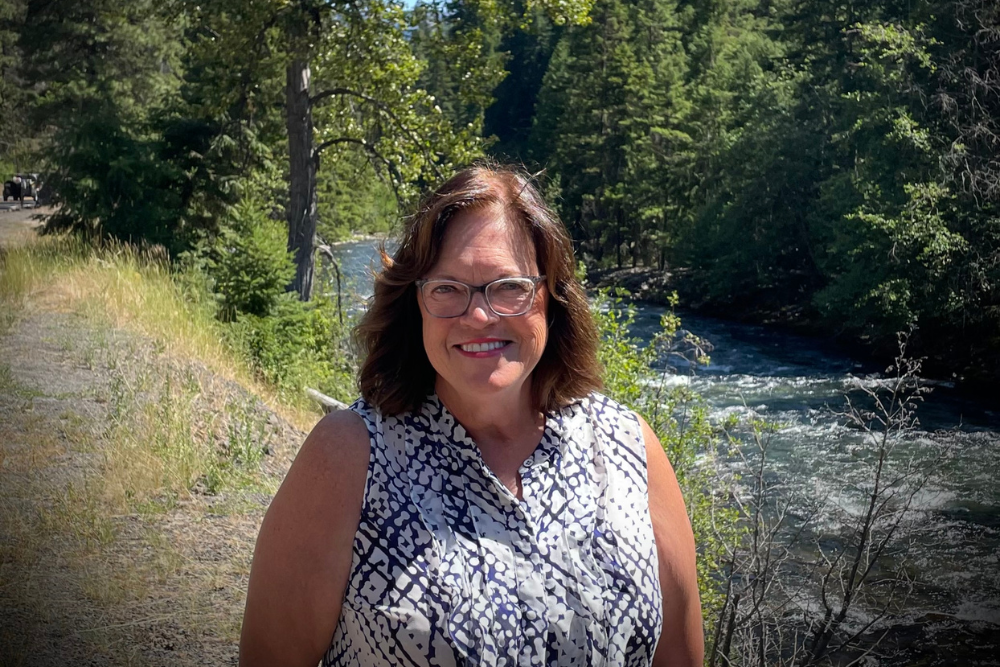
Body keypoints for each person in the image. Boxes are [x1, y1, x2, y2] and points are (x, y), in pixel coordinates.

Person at [239, 164, 703, 667]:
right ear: (415, 302)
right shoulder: (348, 457)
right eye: (447, 288)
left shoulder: (628, 446)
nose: (478, 315)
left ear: (551, 297)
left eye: (508, 286)